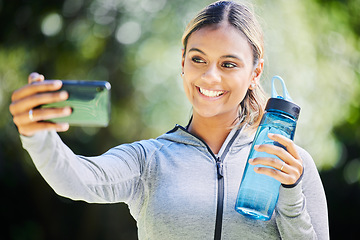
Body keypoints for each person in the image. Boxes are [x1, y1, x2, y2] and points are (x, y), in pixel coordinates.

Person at [9, 1, 329, 239]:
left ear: (254, 73)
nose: (209, 76)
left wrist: (290, 191)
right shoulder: (149, 160)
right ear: (183, 62)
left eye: (229, 64)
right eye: (198, 59)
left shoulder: (293, 165)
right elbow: (76, 178)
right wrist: (36, 135)